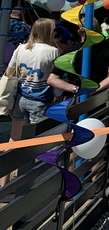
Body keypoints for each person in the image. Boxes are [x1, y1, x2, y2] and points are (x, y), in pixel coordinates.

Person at [1, 19, 68, 187]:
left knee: (13, 140)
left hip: (21, 98)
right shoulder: (53, 52)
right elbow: (56, 78)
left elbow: (9, 72)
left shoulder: (21, 48)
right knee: (38, 143)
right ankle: (30, 183)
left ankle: (4, 182)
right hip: (41, 100)